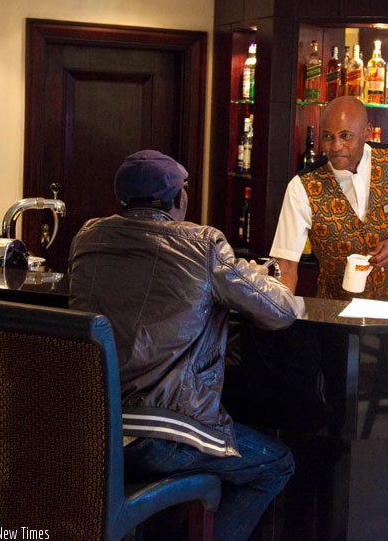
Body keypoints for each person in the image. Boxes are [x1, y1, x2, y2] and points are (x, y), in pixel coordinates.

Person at [68, 150, 304, 540]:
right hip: (166, 434)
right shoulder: (203, 244)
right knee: (275, 464)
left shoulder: (88, 236)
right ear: (178, 198)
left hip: (97, 429)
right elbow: (278, 311)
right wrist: (267, 280)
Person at [270, 96, 388, 302]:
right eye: (328, 137)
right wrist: (280, 317)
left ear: (367, 132)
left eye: (345, 136)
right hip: (334, 310)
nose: (336, 146)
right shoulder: (302, 186)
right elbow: (286, 266)